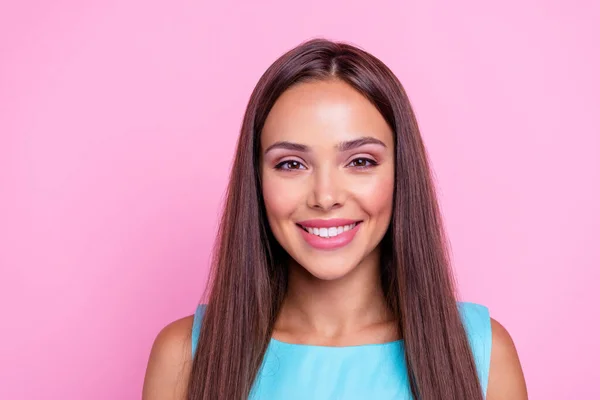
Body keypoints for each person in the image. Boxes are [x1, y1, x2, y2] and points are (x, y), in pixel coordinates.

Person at [142, 38, 527, 400]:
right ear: (257, 180)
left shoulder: (482, 354)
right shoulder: (185, 358)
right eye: (291, 164)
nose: (325, 197)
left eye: (360, 161)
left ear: (401, 173)